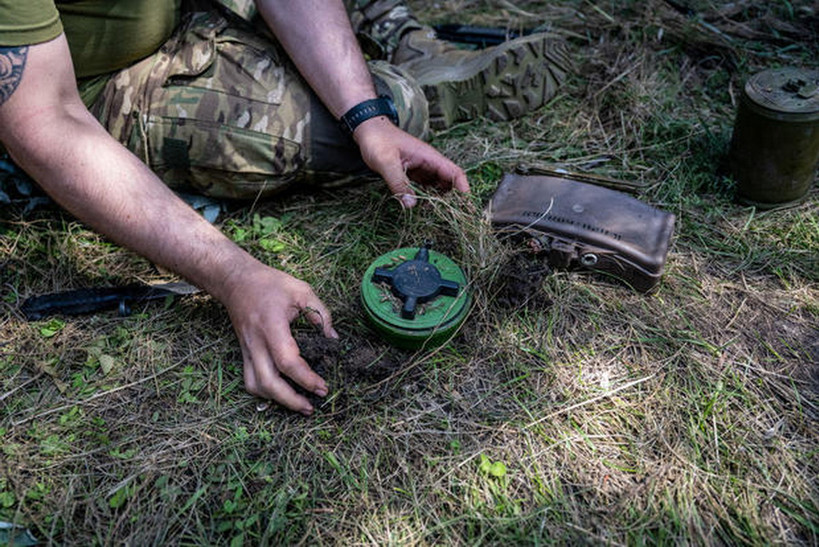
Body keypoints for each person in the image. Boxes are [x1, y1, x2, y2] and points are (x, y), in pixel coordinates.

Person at [0, 0, 570, 415]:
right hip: (75, 80)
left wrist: (367, 119)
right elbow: (47, 118)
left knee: (380, 111)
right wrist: (234, 274)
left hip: (167, 15)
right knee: (353, 118)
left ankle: (403, 41)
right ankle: (405, 66)